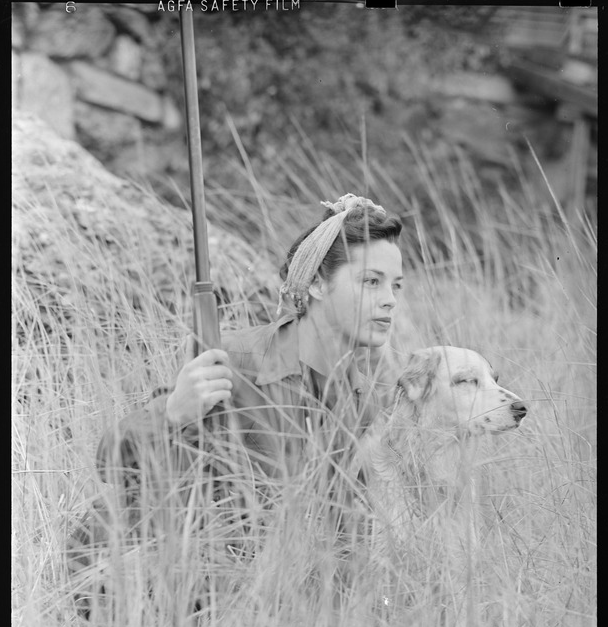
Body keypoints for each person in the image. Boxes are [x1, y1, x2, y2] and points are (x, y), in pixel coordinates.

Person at [68, 193, 403, 603]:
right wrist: (173, 414)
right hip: (125, 582)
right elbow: (111, 460)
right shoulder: (235, 360)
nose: (390, 299)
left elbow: (343, 527)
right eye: (371, 281)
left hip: (239, 593)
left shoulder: (360, 398)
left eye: (395, 285)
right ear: (315, 283)